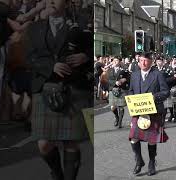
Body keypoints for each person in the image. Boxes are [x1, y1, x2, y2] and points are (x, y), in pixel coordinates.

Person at [25, 0, 92, 179]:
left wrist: (86, 56)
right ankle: (57, 173)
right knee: (44, 144)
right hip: (45, 87)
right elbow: (30, 57)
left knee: (70, 142)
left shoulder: (83, 24)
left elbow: (95, 50)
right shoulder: (35, 28)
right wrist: (51, 66)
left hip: (72, 88)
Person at [128, 52, 170, 176]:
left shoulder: (158, 74)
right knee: (134, 138)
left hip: (153, 111)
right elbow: (130, 91)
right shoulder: (134, 75)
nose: (143, 63)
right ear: (138, 61)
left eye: (146, 61)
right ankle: (139, 161)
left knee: (152, 140)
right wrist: (131, 99)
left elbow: (166, 92)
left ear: (151, 62)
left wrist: (153, 97)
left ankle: (152, 162)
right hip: (138, 112)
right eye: (141, 61)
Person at [107, 57, 130, 128]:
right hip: (113, 89)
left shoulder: (124, 70)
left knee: (121, 107)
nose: (115, 62)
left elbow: (129, 78)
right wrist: (115, 82)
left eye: (117, 60)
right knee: (112, 107)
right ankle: (117, 117)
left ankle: (120, 122)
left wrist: (125, 79)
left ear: (119, 62)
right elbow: (108, 80)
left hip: (122, 89)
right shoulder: (110, 70)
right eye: (114, 60)